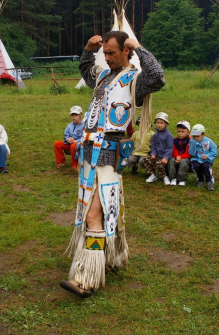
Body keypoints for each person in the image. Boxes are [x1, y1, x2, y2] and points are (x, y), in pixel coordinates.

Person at [60, 31, 165, 298]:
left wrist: (139, 47)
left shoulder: (134, 80)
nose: (106, 58)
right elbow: (85, 68)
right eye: (104, 53)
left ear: (126, 51)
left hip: (109, 152)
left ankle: (87, 278)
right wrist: (87, 48)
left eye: (112, 53)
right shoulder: (104, 76)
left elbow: (157, 77)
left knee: (96, 213)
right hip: (89, 153)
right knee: (100, 209)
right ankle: (114, 257)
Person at [144, 112, 174, 184]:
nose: (159, 125)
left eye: (161, 123)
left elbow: (170, 148)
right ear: (155, 123)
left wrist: (166, 157)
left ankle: (164, 176)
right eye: (158, 122)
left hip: (164, 157)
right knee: (146, 159)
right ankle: (152, 174)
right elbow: (153, 146)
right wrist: (153, 153)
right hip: (156, 155)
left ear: (166, 124)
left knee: (159, 164)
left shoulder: (168, 135)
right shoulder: (155, 135)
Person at [189, 124, 218, 191]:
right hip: (196, 158)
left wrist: (207, 156)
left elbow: (214, 151)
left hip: (206, 159)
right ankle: (200, 180)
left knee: (205, 166)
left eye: (198, 136)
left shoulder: (208, 141)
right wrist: (193, 145)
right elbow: (191, 153)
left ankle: (209, 181)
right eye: (194, 136)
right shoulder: (192, 141)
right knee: (196, 166)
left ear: (203, 134)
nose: (196, 138)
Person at [167, 120, 192, 186]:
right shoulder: (175, 140)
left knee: (183, 162)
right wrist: (177, 156)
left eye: (182, 132)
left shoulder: (190, 141)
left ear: (188, 132)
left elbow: (188, 153)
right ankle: (172, 178)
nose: (180, 133)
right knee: (171, 160)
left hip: (186, 158)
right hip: (177, 157)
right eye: (179, 131)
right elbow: (174, 150)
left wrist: (180, 158)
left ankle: (182, 179)